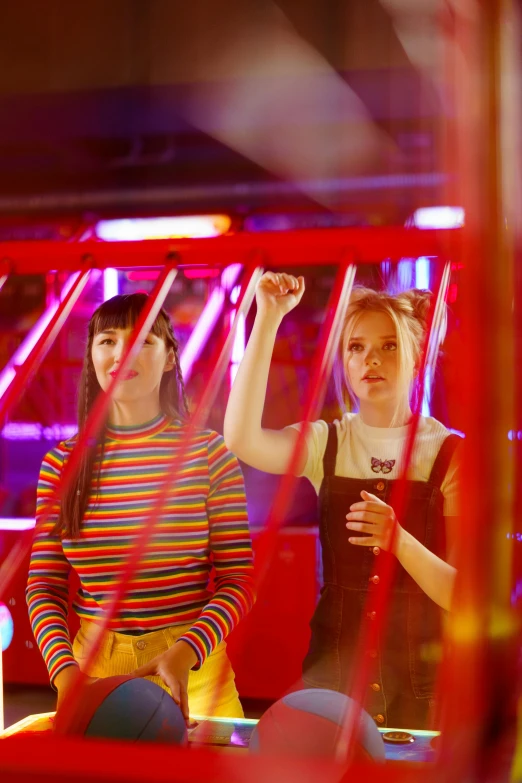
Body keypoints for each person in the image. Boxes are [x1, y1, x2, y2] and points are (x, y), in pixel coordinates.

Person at [224, 272, 460, 729]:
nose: (371, 358)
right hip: (332, 679)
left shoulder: (450, 454)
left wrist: (400, 541)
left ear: (417, 358)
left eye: (389, 345)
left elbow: (465, 596)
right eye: (356, 347)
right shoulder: (326, 442)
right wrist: (268, 317)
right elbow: (242, 439)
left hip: (424, 686)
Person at [27, 293, 255, 723]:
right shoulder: (62, 464)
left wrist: (187, 651)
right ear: (92, 356)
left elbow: (238, 580)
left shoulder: (207, 453)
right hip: (94, 674)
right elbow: (44, 588)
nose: (121, 353)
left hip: (195, 672)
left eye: (143, 341)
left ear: (170, 358)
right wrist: (66, 676)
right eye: (107, 340)